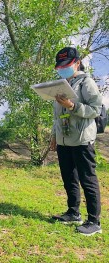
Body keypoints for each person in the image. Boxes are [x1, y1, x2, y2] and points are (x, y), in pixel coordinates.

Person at [50, 47, 103, 236]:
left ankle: (94, 221)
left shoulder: (86, 83)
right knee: (69, 178)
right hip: (64, 140)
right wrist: (54, 136)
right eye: (60, 66)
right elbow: (57, 115)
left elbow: (96, 109)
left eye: (67, 65)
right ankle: (73, 213)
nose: (62, 69)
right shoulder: (61, 84)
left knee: (87, 179)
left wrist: (73, 106)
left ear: (77, 63)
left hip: (82, 140)